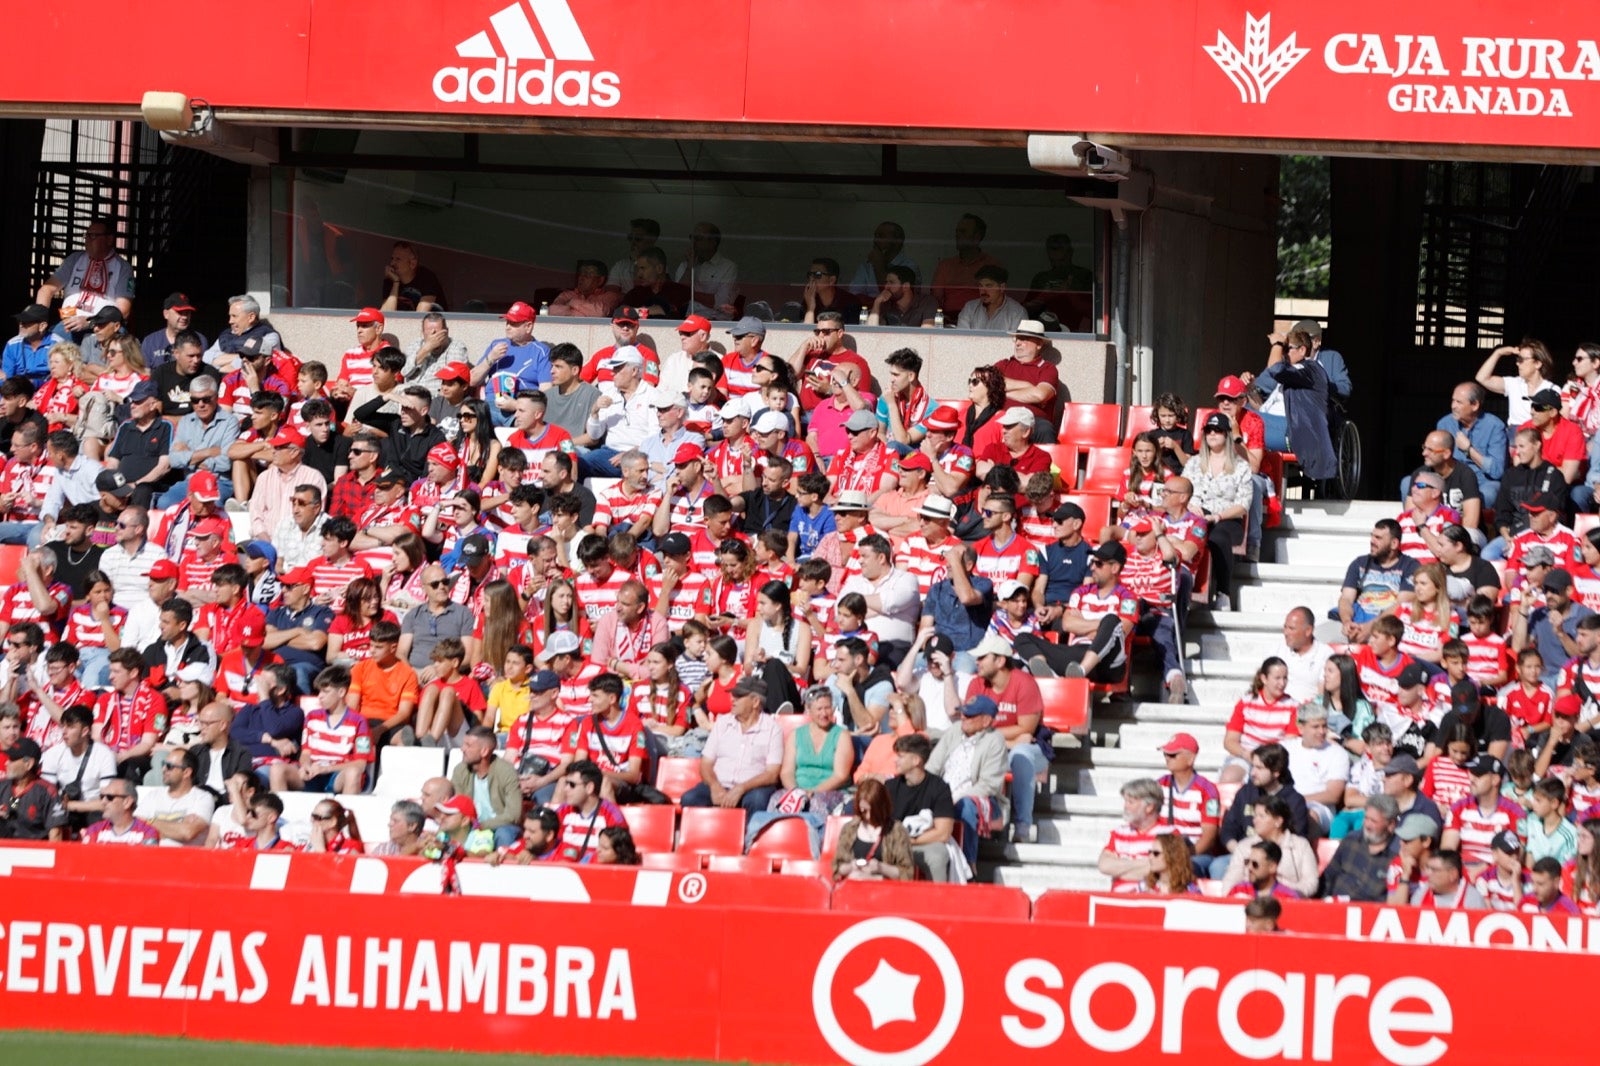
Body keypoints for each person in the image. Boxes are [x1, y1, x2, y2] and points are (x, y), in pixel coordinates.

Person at [1018, 541, 1135, 682]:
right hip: (1075, 655)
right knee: (1022, 638)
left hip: (1107, 663)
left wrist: (1085, 625)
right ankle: (1049, 673)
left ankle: (1081, 671)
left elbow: (1122, 629)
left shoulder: (1128, 597)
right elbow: (1067, 624)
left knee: (1111, 620)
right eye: (1092, 562)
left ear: (1115, 568)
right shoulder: (1081, 592)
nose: (1092, 567)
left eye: (1098, 564)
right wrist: (1099, 630)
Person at [928, 695, 1009, 873]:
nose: (963, 717)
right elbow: (932, 767)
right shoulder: (955, 730)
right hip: (944, 794)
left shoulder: (995, 741)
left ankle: (968, 866)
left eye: (970, 715)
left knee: (966, 805)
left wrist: (955, 798)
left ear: (987, 720)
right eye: (963, 713)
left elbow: (988, 786)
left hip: (981, 800)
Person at [681, 677, 782, 814]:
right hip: (720, 783)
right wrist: (714, 786)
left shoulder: (773, 729)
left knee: (757, 800)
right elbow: (705, 763)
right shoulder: (722, 723)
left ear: (755, 702)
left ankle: (749, 835)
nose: (732, 699)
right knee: (690, 799)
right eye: (733, 695)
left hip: (753, 788)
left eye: (739, 696)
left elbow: (772, 774)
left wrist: (741, 788)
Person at [1183, 412, 1252, 608]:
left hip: (1227, 519)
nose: (1213, 434)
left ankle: (1223, 592)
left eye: (1218, 430)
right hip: (1195, 515)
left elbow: (1242, 505)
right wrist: (1189, 506)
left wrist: (1217, 516)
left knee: (1217, 537)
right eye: (1209, 430)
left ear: (1227, 435)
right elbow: (1181, 489)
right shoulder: (1193, 463)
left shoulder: (1241, 467)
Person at [37, 217, 135, 331]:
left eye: (93, 236)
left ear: (109, 239)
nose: (87, 240)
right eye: (86, 235)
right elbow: (46, 290)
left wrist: (90, 322)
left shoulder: (123, 267)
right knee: (53, 340)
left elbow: (124, 311)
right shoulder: (74, 259)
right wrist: (40, 321)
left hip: (102, 327)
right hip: (69, 324)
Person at [884, 732, 958, 881]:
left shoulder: (939, 788)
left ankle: (939, 900)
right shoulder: (890, 787)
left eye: (901, 756)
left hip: (924, 844)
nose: (895, 761)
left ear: (916, 760)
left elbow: (942, 833)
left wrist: (910, 840)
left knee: (937, 855)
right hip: (893, 843)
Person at [1441, 754, 1526, 879]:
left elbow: (1517, 857)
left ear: (1495, 780)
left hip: (1497, 875)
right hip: (1462, 873)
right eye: (1471, 773)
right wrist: (1462, 873)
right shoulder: (1458, 808)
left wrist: (1486, 868)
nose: (1471, 779)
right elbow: (1447, 852)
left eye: (1478, 774)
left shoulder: (1516, 813)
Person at [1336, 519, 1420, 642]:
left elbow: (1401, 605)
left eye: (1378, 538)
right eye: (1372, 536)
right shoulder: (1359, 563)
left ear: (1394, 544)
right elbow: (1346, 598)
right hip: (1358, 619)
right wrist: (1347, 622)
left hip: (1388, 625)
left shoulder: (1410, 566)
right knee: (1325, 636)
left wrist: (1370, 627)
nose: (1372, 541)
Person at [1221, 794, 1318, 897]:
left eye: (1261, 816)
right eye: (1255, 816)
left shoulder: (1300, 845)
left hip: (1288, 902)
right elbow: (1230, 881)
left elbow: (1311, 883)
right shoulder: (1244, 846)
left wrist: (1283, 890)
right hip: (1250, 903)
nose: (1254, 821)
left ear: (1278, 821)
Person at [447, 725, 522, 848]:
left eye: (468, 745)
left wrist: (481, 825)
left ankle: (501, 864)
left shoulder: (506, 771)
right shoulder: (460, 770)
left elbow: (513, 815)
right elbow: (458, 806)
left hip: (500, 826)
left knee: (505, 834)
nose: (462, 749)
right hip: (469, 826)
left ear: (484, 751)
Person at [1318, 793, 1401, 901]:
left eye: (1373, 821)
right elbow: (1328, 878)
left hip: (1369, 913)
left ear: (1391, 825)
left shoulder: (1397, 855)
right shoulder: (1350, 841)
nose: (1367, 825)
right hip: (1335, 908)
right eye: (1366, 818)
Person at [831, 777, 915, 881]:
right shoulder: (850, 829)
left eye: (872, 811)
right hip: (853, 887)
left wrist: (881, 868)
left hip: (884, 889)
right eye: (864, 811)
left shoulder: (896, 831)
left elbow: (907, 872)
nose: (868, 816)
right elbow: (837, 868)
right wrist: (852, 866)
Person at [1097, 777, 1173, 892]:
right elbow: (1104, 866)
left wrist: (1120, 870)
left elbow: (1167, 871)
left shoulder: (1168, 834)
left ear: (1149, 807)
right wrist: (1144, 865)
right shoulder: (1119, 833)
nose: (1125, 807)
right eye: (1125, 801)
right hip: (1117, 899)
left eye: (1131, 802)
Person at [136, 747, 216, 847]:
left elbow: (188, 833)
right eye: (163, 764)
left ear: (186, 772)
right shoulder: (153, 796)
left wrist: (149, 821)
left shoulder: (202, 798)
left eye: (169, 766)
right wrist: (178, 827)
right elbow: (136, 827)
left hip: (185, 860)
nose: (163, 769)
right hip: (152, 857)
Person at [551, 760, 627, 863]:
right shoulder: (563, 811)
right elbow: (549, 844)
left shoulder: (612, 815)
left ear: (589, 788)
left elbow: (619, 854)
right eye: (566, 784)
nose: (566, 789)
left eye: (572, 785)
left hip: (596, 874)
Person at [1476, 337, 1555, 433]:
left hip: (1538, 434)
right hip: (1514, 436)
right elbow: (1482, 378)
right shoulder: (1513, 384)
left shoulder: (1552, 390)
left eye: (1522, 359)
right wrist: (1498, 353)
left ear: (1537, 363)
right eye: (1518, 359)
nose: (1517, 363)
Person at [931, 213, 1002, 317]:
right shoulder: (945, 266)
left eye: (963, 232)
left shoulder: (992, 265)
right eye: (957, 232)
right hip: (949, 322)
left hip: (981, 322)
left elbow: (996, 299)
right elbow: (935, 299)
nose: (957, 235)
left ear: (977, 237)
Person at [674, 221, 739, 315]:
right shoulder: (685, 265)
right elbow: (678, 298)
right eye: (692, 237)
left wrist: (689, 294)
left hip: (715, 322)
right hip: (688, 320)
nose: (693, 242)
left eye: (698, 238)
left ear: (713, 243)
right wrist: (689, 268)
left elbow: (722, 303)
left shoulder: (728, 267)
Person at [957, 265, 1026, 333]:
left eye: (989, 286)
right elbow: (961, 338)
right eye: (980, 285)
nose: (983, 291)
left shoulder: (1017, 312)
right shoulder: (970, 308)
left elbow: (1018, 342)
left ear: (1002, 287)